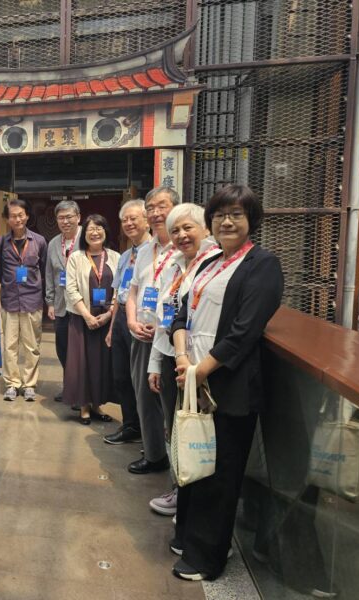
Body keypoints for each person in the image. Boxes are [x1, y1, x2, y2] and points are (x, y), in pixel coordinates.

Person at [170, 184, 283, 581]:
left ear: (252, 219)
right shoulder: (209, 263)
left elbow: (244, 331)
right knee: (194, 458)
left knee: (221, 472)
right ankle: (187, 536)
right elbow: (181, 314)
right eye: (219, 215)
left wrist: (202, 370)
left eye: (236, 214)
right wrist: (182, 359)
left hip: (226, 383)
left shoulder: (262, 265)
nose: (227, 222)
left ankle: (207, 557)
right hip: (191, 376)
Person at [146, 203, 218, 517]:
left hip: (200, 362)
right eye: (175, 230)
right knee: (175, 426)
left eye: (188, 227)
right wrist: (154, 363)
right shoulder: (174, 264)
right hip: (170, 356)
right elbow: (164, 317)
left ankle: (193, 498)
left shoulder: (215, 265)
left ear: (206, 229)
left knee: (197, 429)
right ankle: (180, 489)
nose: (181, 235)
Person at [125, 186, 180, 474]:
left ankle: (179, 465)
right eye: (151, 208)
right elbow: (133, 292)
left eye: (162, 206)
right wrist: (131, 321)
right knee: (144, 398)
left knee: (171, 402)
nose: (156, 213)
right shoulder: (145, 251)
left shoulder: (186, 246)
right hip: (141, 335)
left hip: (172, 339)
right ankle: (155, 455)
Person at [63, 214, 120, 424]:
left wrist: (109, 314)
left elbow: (120, 289)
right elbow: (70, 289)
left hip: (107, 320)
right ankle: (84, 406)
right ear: (84, 234)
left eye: (99, 228)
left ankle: (97, 404)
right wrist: (87, 316)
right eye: (90, 229)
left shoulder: (115, 257)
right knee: (82, 363)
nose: (95, 233)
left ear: (106, 231)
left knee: (101, 363)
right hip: (82, 319)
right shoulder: (76, 258)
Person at [104, 199, 150, 444]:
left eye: (134, 218)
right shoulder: (125, 256)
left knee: (142, 380)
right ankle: (131, 425)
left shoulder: (156, 253)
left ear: (147, 220)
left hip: (143, 319)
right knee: (121, 377)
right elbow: (117, 294)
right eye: (125, 220)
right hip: (121, 317)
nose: (129, 223)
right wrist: (112, 328)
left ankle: (150, 433)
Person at [0, 198, 47, 401]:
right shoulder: (1, 243)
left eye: (20, 215)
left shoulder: (39, 241)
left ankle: (29, 384)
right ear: (7, 219)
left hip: (32, 301)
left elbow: (43, 270)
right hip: (10, 301)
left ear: (26, 216)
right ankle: (12, 384)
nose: (17, 219)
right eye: (13, 216)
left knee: (32, 346)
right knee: (9, 346)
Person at [45, 200, 81, 402]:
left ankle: (82, 390)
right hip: (60, 306)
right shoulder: (53, 243)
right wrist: (50, 302)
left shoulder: (87, 237)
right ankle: (69, 386)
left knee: (81, 349)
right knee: (63, 348)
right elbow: (49, 274)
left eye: (69, 217)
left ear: (78, 217)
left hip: (82, 306)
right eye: (61, 218)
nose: (65, 221)